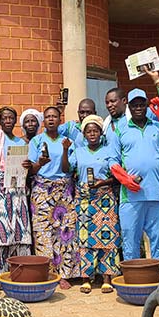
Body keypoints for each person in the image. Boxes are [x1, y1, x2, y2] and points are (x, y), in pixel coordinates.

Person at [107, 88, 159, 272]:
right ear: (129, 106)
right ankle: (134, 276)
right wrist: (124, 179)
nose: (139, 108)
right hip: (130, 196)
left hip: (156, 193)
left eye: (142, 104)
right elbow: (112, 160)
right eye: (135, 105)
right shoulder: (121, 130)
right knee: (130, 238)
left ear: (147, 106)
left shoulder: (156, 126)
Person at [0, 69, 32, 277]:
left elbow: (26, 166)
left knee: (18, 225)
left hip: (16, 185)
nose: (9, 120)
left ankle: (20, 271)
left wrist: (27, 165)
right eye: (5, 117)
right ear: (0, 120)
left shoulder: (21, 142)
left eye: (12, 118)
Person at [61, 115, 119, 294]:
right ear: (84, 134)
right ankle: (87, 277)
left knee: (107, 236)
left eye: (95, 131)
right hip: (84, 198)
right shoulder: (78, 151)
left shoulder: (109, 150)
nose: (92, 134)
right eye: (88, 131)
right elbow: (66, 169)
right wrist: (65, 151)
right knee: (85, 237)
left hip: (104, 198)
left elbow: (116, 174)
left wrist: (103, 183)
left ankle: (107, 277)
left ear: (101, 133)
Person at [27, 106, 78, 289]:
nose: (50, 119)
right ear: (44, 120)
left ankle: (64, 274)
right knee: (43, 233)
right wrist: (40, 163)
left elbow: (68, 169)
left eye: (54, 116)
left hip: (64, 190)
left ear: (59, 119)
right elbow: (31, 169)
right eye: (47, 117)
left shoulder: (69, 141)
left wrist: (65, 150)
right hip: (42, 190)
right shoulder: (37, 141)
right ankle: (48, 272)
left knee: (65, 232)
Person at [103, 69, 159, 135]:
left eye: (113, 101)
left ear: (124, 101)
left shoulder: (143, 114)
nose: (109, 105)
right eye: (107, 103)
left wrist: (157, 80)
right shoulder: (106, 124)